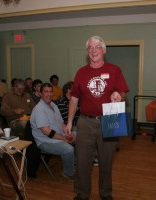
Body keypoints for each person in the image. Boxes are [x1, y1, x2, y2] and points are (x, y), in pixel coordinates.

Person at [65, 36, 129, 200]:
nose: (93, 50)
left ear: (104, 50)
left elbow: (123, 93)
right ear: (88, 52)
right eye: (90, 47)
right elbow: (74, 99)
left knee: (106, 162)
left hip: (109, 119)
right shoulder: (81, 72)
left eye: (97, 47)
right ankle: (82, 194)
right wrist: (70, 121)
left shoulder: (115, 70)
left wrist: (118, 95)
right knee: (82, 162)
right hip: (85, 122)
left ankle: (106, 194)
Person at [30, 83, 75, 182]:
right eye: (46, 92)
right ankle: (68, 173)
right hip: (46, 142)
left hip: (57, 136)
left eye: (50, 92)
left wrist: (68, 133)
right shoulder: (39, 109)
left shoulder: (53, 105)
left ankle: (73, 163)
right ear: (41, 93)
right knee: (69, 149)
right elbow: (47, 132)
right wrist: (65, 139)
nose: (49, 94)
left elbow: (61, 123)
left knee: (78, 135)